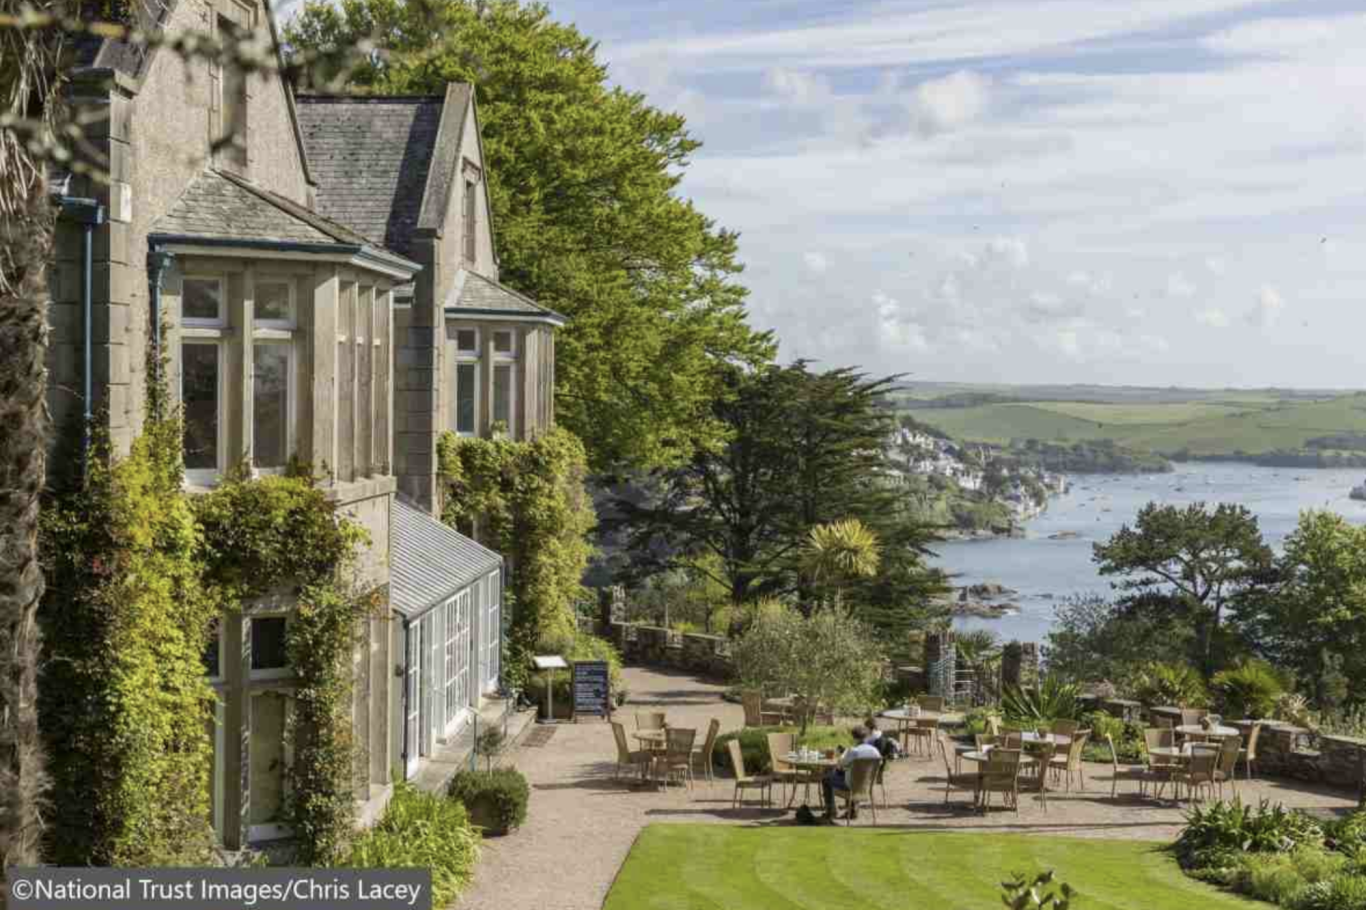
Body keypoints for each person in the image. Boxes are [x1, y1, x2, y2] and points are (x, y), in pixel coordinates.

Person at [822, 726, 883, 819]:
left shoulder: (854, 751)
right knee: (853, 777)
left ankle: (831, 812)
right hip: (867, 784)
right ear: (867, 737)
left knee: (826, 779)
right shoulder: (875, 751)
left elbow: (841, 764)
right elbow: (879, 763)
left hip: (851, 785)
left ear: (854, 738)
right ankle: (852, 811)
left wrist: (843, 754)